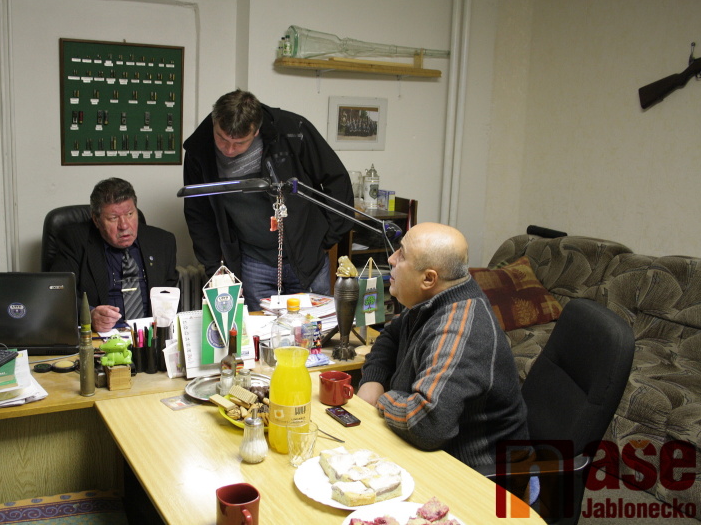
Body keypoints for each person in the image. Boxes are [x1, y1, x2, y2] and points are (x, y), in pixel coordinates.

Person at [357, 222, 528, 469]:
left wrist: (382, 399)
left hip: (476, 471)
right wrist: (373, 379)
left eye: (402, 255)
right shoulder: (435, 298)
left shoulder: (459, 330)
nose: (392, 259)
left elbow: (427, 425)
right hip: (436, 451)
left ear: (428, 278)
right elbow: (391, 335)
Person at [182, 89, 354, 311]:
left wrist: (326, 238)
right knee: (259, 327)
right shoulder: (199, 151)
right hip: (254, 259)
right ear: (214, 122)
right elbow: (198, 215)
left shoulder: (293, 130)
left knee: (314, 327)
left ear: (256, 131)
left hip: (306, 256)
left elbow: (337, 179)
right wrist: (214, 267)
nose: (229, 150)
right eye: (222, 139)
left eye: (240, 143)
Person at [50, 177, 178, 332]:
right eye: (113, 218)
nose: (124, 225)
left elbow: (170, 295)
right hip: (103, 336)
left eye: (130, 214)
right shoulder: (75, 241)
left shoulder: (162, 242)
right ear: (96, 220)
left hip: (150, 335)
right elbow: (58, 293)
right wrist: (89, 315)